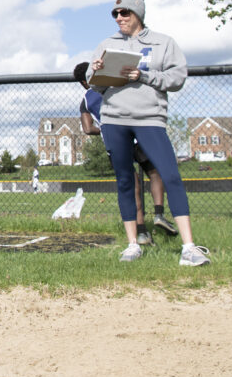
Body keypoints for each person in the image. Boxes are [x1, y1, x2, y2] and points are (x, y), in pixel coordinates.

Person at [87, 0, 209, 266]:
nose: (119, 18)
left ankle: (189, 247)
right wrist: (96, 71)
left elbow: (176, 77)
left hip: (149, 119)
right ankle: (132, 244)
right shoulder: (107, 43)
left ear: (138, 13)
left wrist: (142, 75)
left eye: (124, 12)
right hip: (114, 119)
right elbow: (94, 84)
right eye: (115, 14)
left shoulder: (163, 43)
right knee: (124, 180)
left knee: (170, 175)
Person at [74, 61, 178, 245]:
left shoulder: (86, 100)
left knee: (132, 186)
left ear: (82, 82)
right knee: (154, 173)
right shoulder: (114, 84)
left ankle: (141, 232)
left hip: (115, 141)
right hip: (137, 135)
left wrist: (104, 129)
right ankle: (159, 213)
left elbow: (88, 129)